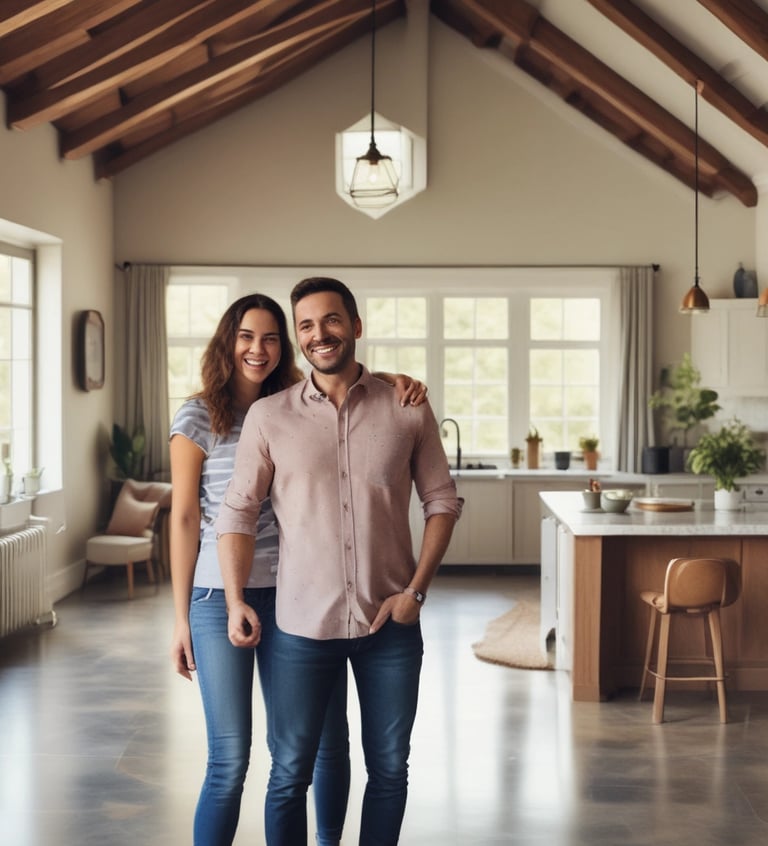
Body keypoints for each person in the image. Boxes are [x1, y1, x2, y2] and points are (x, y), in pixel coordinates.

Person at [169, 292, 426, 846]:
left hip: (296, 594)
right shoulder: (198, 415)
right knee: (231, 757)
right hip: (221, 595)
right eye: (245, 337)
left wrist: (391, 379)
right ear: (226, 344)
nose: (257, 349)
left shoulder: (292, 401)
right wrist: (181, 618)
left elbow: (341, 388)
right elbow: (187, 518)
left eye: (269, 337)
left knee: (325, 742)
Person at [216, 277, 463, 845]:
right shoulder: (270, 417)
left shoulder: (407, 408)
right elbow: (237, 513)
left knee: (390, 771)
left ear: (355, 326)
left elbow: (442, 501)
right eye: (305, 325)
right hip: (302, 629)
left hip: (391, 627)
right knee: (288, 775)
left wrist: (416, 592)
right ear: (298, 338)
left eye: (331, 320)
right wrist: (233, 601)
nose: (318, 334)